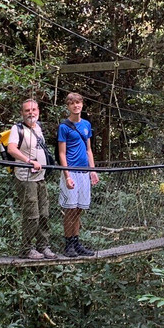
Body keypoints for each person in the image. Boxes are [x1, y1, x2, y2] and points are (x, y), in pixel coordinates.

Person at [5, 98, 56, 260]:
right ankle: (26, 248)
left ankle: (43, 246)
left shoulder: (38, 128)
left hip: (40, 177)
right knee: (31, 214)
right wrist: (28, 161)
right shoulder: (17, 129)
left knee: (44, 213)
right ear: (22, 113)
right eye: (27, 110)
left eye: (34, 110)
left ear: (38, 111)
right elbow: (11, 149)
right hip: (25, 177)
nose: (31, 113)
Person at [57, 92, 100, 257]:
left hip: (84, 172)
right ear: (68, 106)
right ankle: (68, 245)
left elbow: (89, 149)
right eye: (73, 103)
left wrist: (93, 170)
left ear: (82, 105)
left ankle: (76, 243)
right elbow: (62, 153)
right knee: (70, 209)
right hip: (71, 172)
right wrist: (66, 175)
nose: (76, 106)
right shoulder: (64, 127)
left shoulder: (86, 125)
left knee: (79, 210)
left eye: (79, 103)